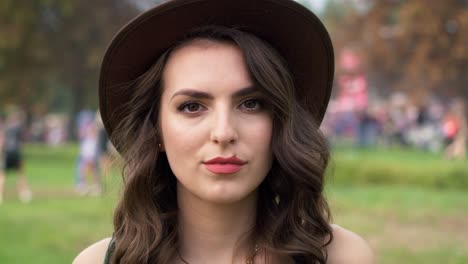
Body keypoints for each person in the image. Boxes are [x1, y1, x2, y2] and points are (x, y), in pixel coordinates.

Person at [74, 0, 374, 263]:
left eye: (251, 104)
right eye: (192, 107)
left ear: (282, 122)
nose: (223, 132)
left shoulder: (341, 257)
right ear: (156, 131)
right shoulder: (100, 262)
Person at [0, 109, 32, 203]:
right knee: (20, 173)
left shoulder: (5, 127)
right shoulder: (19, 127)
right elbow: (24, 139)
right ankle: (23, 193)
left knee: (2, 174)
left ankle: (0, 195)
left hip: (7, 152)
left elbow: (2, 141)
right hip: (16, 152)